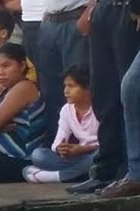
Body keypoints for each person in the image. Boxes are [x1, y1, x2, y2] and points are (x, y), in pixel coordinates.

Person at [72, 0, 138, 194]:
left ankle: (129, 169)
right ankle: (105, 170)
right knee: (103, 92)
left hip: (129, 8)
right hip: (104, 8)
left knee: (128, 92)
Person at [0, 43, 46, 183]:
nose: (0, 72)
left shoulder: (24, 87)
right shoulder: (5, 92)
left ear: (22, 66)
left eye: (6, 66)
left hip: (18, 160)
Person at [25, 64, 98, 182]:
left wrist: (83, 149)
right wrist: (61, 149)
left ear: (87, 88)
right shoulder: (66, 110)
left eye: (71, 86)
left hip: (94, 154)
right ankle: (79, 174)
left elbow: (108, 145)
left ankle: (58, 176)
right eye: (65, 86)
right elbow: (57, 142)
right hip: (77, 158)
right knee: (38, 155)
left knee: (96, 158)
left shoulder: (99, 108)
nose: (66, 91)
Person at [36, 0, 89, 148]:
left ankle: (85, 147)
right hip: (50, 21)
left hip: (76, 18)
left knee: (79, 86)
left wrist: (90, 12)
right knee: (50, 92)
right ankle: (59, 146)